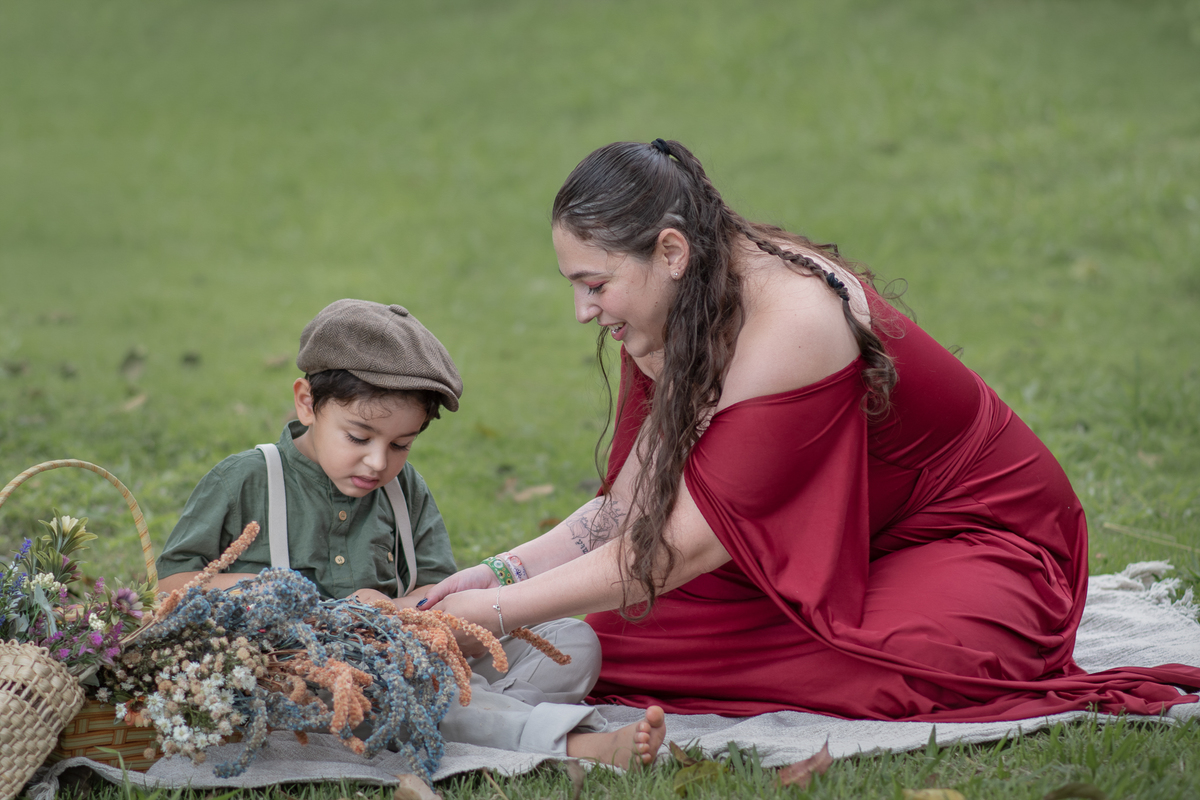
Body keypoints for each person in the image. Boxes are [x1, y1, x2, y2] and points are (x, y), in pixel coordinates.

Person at [423, 139, 1200, 721]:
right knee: (594, 632)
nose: (583, 312)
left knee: (903, 669)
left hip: (980, 544)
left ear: (669, 251)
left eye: (595, 284)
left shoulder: (792, 323)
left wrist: (481, 622)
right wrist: (496, 579)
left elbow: (677, 548)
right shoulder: (676, 306)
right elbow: (624, 511)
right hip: (843, 540)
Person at [156, 298, 664, 764]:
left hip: (402, 657)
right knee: (403, 690)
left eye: (401, 445)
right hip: (295, 678)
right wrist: (305, 602)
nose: (378, 462)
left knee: (573, 642)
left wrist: (395, 614)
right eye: (359, 436)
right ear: (307, 402)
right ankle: (566, 741)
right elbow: (170, 590)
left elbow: (434, 595)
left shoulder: (404, 490)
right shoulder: (246, 478)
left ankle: (464, 718)